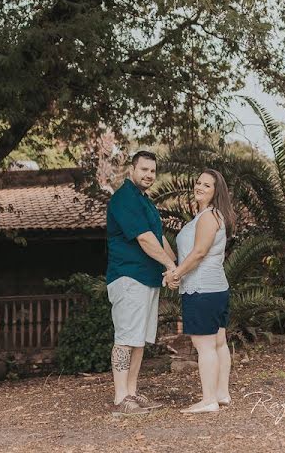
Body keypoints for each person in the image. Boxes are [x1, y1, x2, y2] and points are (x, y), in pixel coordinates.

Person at [105, 150, 178, 416]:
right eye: (144, 169)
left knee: (138, 341)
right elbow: (145, 240)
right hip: (128, 278)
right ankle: (120, 397)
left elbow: (159, 240)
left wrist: (178, 268)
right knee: (125, 339)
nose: (148, 175)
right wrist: (170, 267)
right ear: (132, 170)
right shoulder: (124, 197)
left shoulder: (145, 201)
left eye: (152, 171)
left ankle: (132, 393)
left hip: (147, 279)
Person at [164, 168, 236, 414]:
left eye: (207, 185)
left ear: (216, 192)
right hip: (216, 289)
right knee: (217, 342)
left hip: (202, 289)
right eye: (198, 183)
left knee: (204, 345)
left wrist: (176, 274)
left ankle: (208, 400)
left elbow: (198, 253)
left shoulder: (207, 217)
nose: (200, 187)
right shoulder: (213, 215)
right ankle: (221, 393)